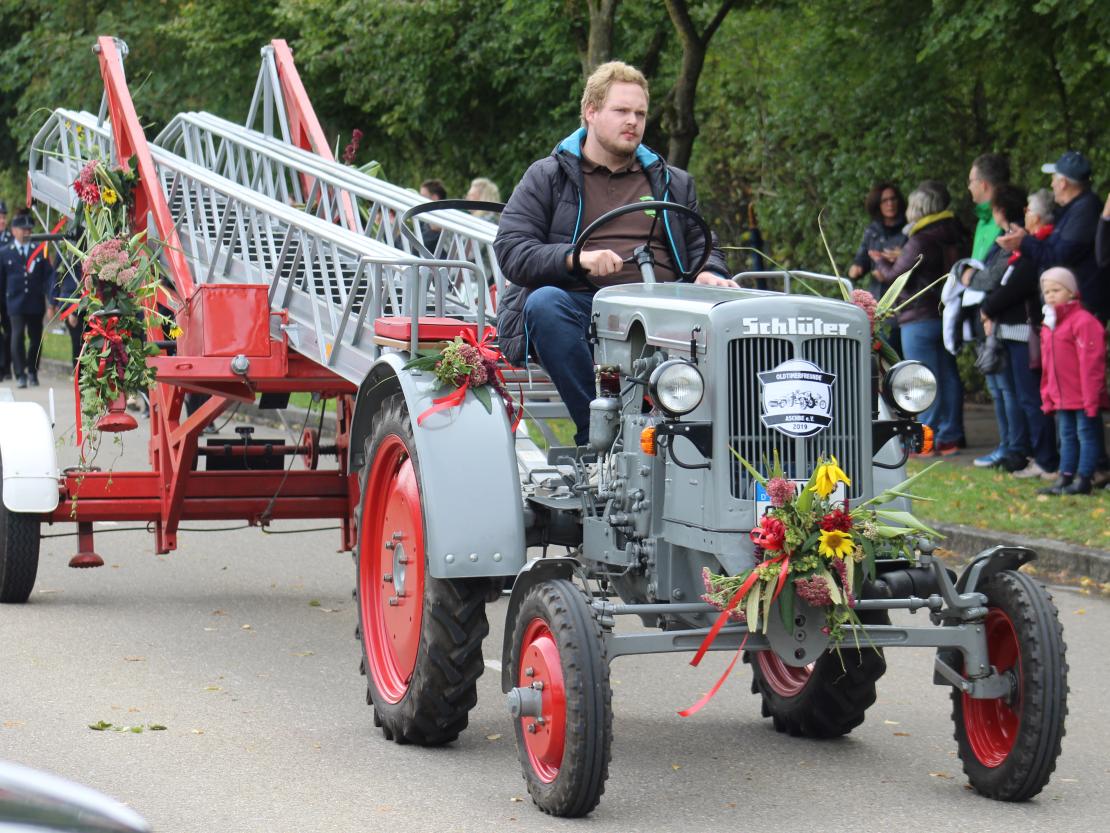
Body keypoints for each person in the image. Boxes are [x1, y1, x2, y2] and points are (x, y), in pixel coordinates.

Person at [494, 60, 734, 445]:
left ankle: (731, 451)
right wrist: (577, 258)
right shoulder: (548, 176)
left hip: (667, 309)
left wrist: (707, 271)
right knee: (544, 304)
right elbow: (512, 250)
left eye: (640, 113)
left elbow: (702, 245)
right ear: (591, 112)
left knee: (737, 318)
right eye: (621, 111)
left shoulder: (672, 181)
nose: (633, 122)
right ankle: (602, 437)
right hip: (586, 307)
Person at [872, 180, 968, 455]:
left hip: (919, 316)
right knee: (948, 376)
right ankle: (950, 436)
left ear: (921, 207)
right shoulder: (955, 232)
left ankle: (926, 438)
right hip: (946, 316)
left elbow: (895, 277)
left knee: (921, 380)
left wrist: (879, 260)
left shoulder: (922, 237)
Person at [977, 184, 1058, 478]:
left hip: (1025, 335)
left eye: (1030, 210)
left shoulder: (1036, 247)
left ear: (1039, 216)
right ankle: (1038, 455)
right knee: (1024, 398)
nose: (1025, 214)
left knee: (1031, 399)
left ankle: (1045, 459)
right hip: (1012, 333)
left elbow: (1015, 287)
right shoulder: (1028, 246)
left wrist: (988, 308)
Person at [998, 151, 1105, 321]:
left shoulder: (1085, 210)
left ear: (1063, 183)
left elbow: (1059, 257)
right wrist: (1025, 238)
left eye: (1054, 178)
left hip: (1081, 312)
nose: (1052, 183)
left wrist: (1024, 242)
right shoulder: (1074, 209)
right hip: (1072, 311)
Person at [1035, 267, 1109, 495]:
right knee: (1066, 436)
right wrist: (1047, 394)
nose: (1051, 295)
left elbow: (1092, 364)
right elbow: (1047, 365)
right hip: (1062, 396)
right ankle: (1065, 476)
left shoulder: (1084, 322)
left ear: (1071, 291)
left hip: (1082, 395)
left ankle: (1084, 477)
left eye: (1056, 290)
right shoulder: (1050, 324)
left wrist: (1091, 397)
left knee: (1086, 435)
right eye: (1046, 291)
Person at [0, 212, 55, 388]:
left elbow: (49, 277)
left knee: (35, 338)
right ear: (14, 230)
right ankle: (20, 373)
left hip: (35, 302)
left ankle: (32, 370)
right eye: (23, 229)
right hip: (14, 302)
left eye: (29, 229)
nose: (26, 232)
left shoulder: (39, 251)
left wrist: (51, 300)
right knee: (17, 337)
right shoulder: (4, 252)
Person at [417, 179, 447, 252]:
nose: (419, 200)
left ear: (434, 198)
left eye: (423, 196)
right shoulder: (423, 219)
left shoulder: (443, 221)